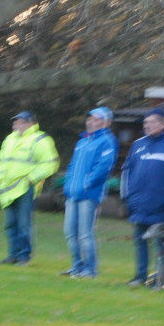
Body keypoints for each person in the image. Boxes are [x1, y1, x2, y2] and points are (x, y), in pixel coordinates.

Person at [120, 108, 164, 287]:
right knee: (140, 241)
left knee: (161, 245)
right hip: (138, 203)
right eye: (145, 122)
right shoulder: (138, 144)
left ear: (163, 124)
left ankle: (159, 279)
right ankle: (140, 276)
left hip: (161, 204)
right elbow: (127, 170)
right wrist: (127, 197)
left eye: (152, 122)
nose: (147, 125)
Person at [0, 111, 59, 266]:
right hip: (6, 188)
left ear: (30, 123)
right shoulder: (9, 139)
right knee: (10, 224)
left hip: (24, 188)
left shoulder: (40, 139)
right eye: (15, 122)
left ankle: (24, 256)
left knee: (23, 224)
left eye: (19, 122)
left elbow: (51, 163)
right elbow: (1, 162)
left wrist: (32, 178)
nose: (15, 125)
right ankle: (12, 255)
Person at [59, 107, 118, 278]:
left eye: (96, 119)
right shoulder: (82, 141)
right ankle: (76, 266)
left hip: (89, 194)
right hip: (72, 193)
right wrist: (68, 184)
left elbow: (103, 167)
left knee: (85, 233)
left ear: (106, 122)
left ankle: (90, 269)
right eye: (89, 118)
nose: (90, 121)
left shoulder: (107, 140)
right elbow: (72, 166)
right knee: (70, 232)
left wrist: (87, 183)